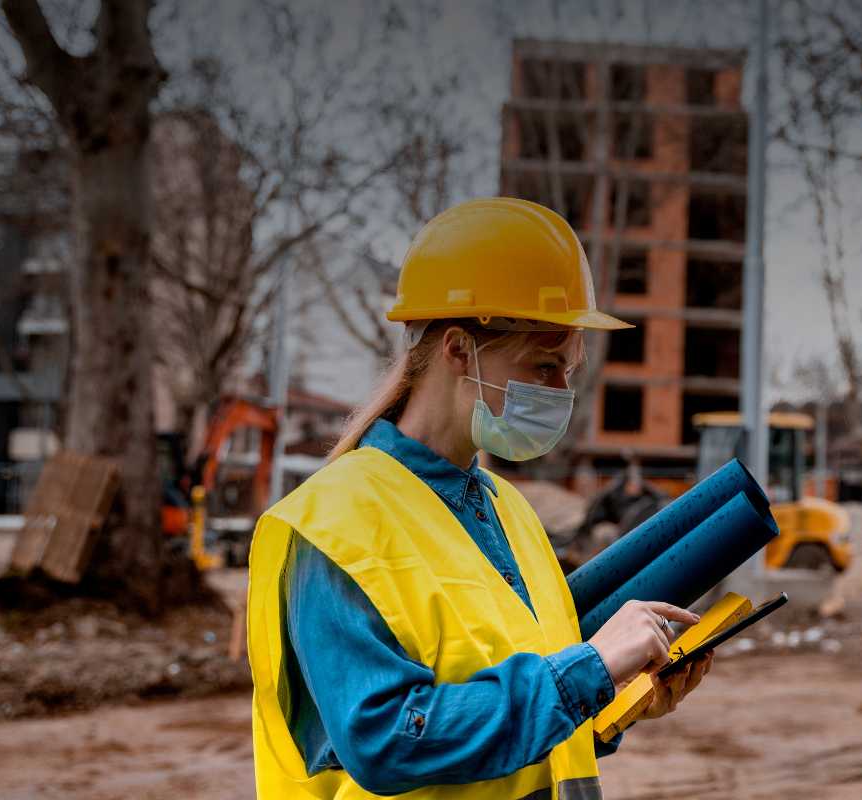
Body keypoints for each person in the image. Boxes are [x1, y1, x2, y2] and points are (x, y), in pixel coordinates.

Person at [247, 198, 714, 799]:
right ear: (458, 348)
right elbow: (386, 739)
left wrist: (618, 695)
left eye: (568, 372)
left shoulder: (507, 509)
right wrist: (588, 670)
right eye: (544, 366)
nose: (560, 392)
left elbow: (521, 719)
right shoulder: (336, 523)